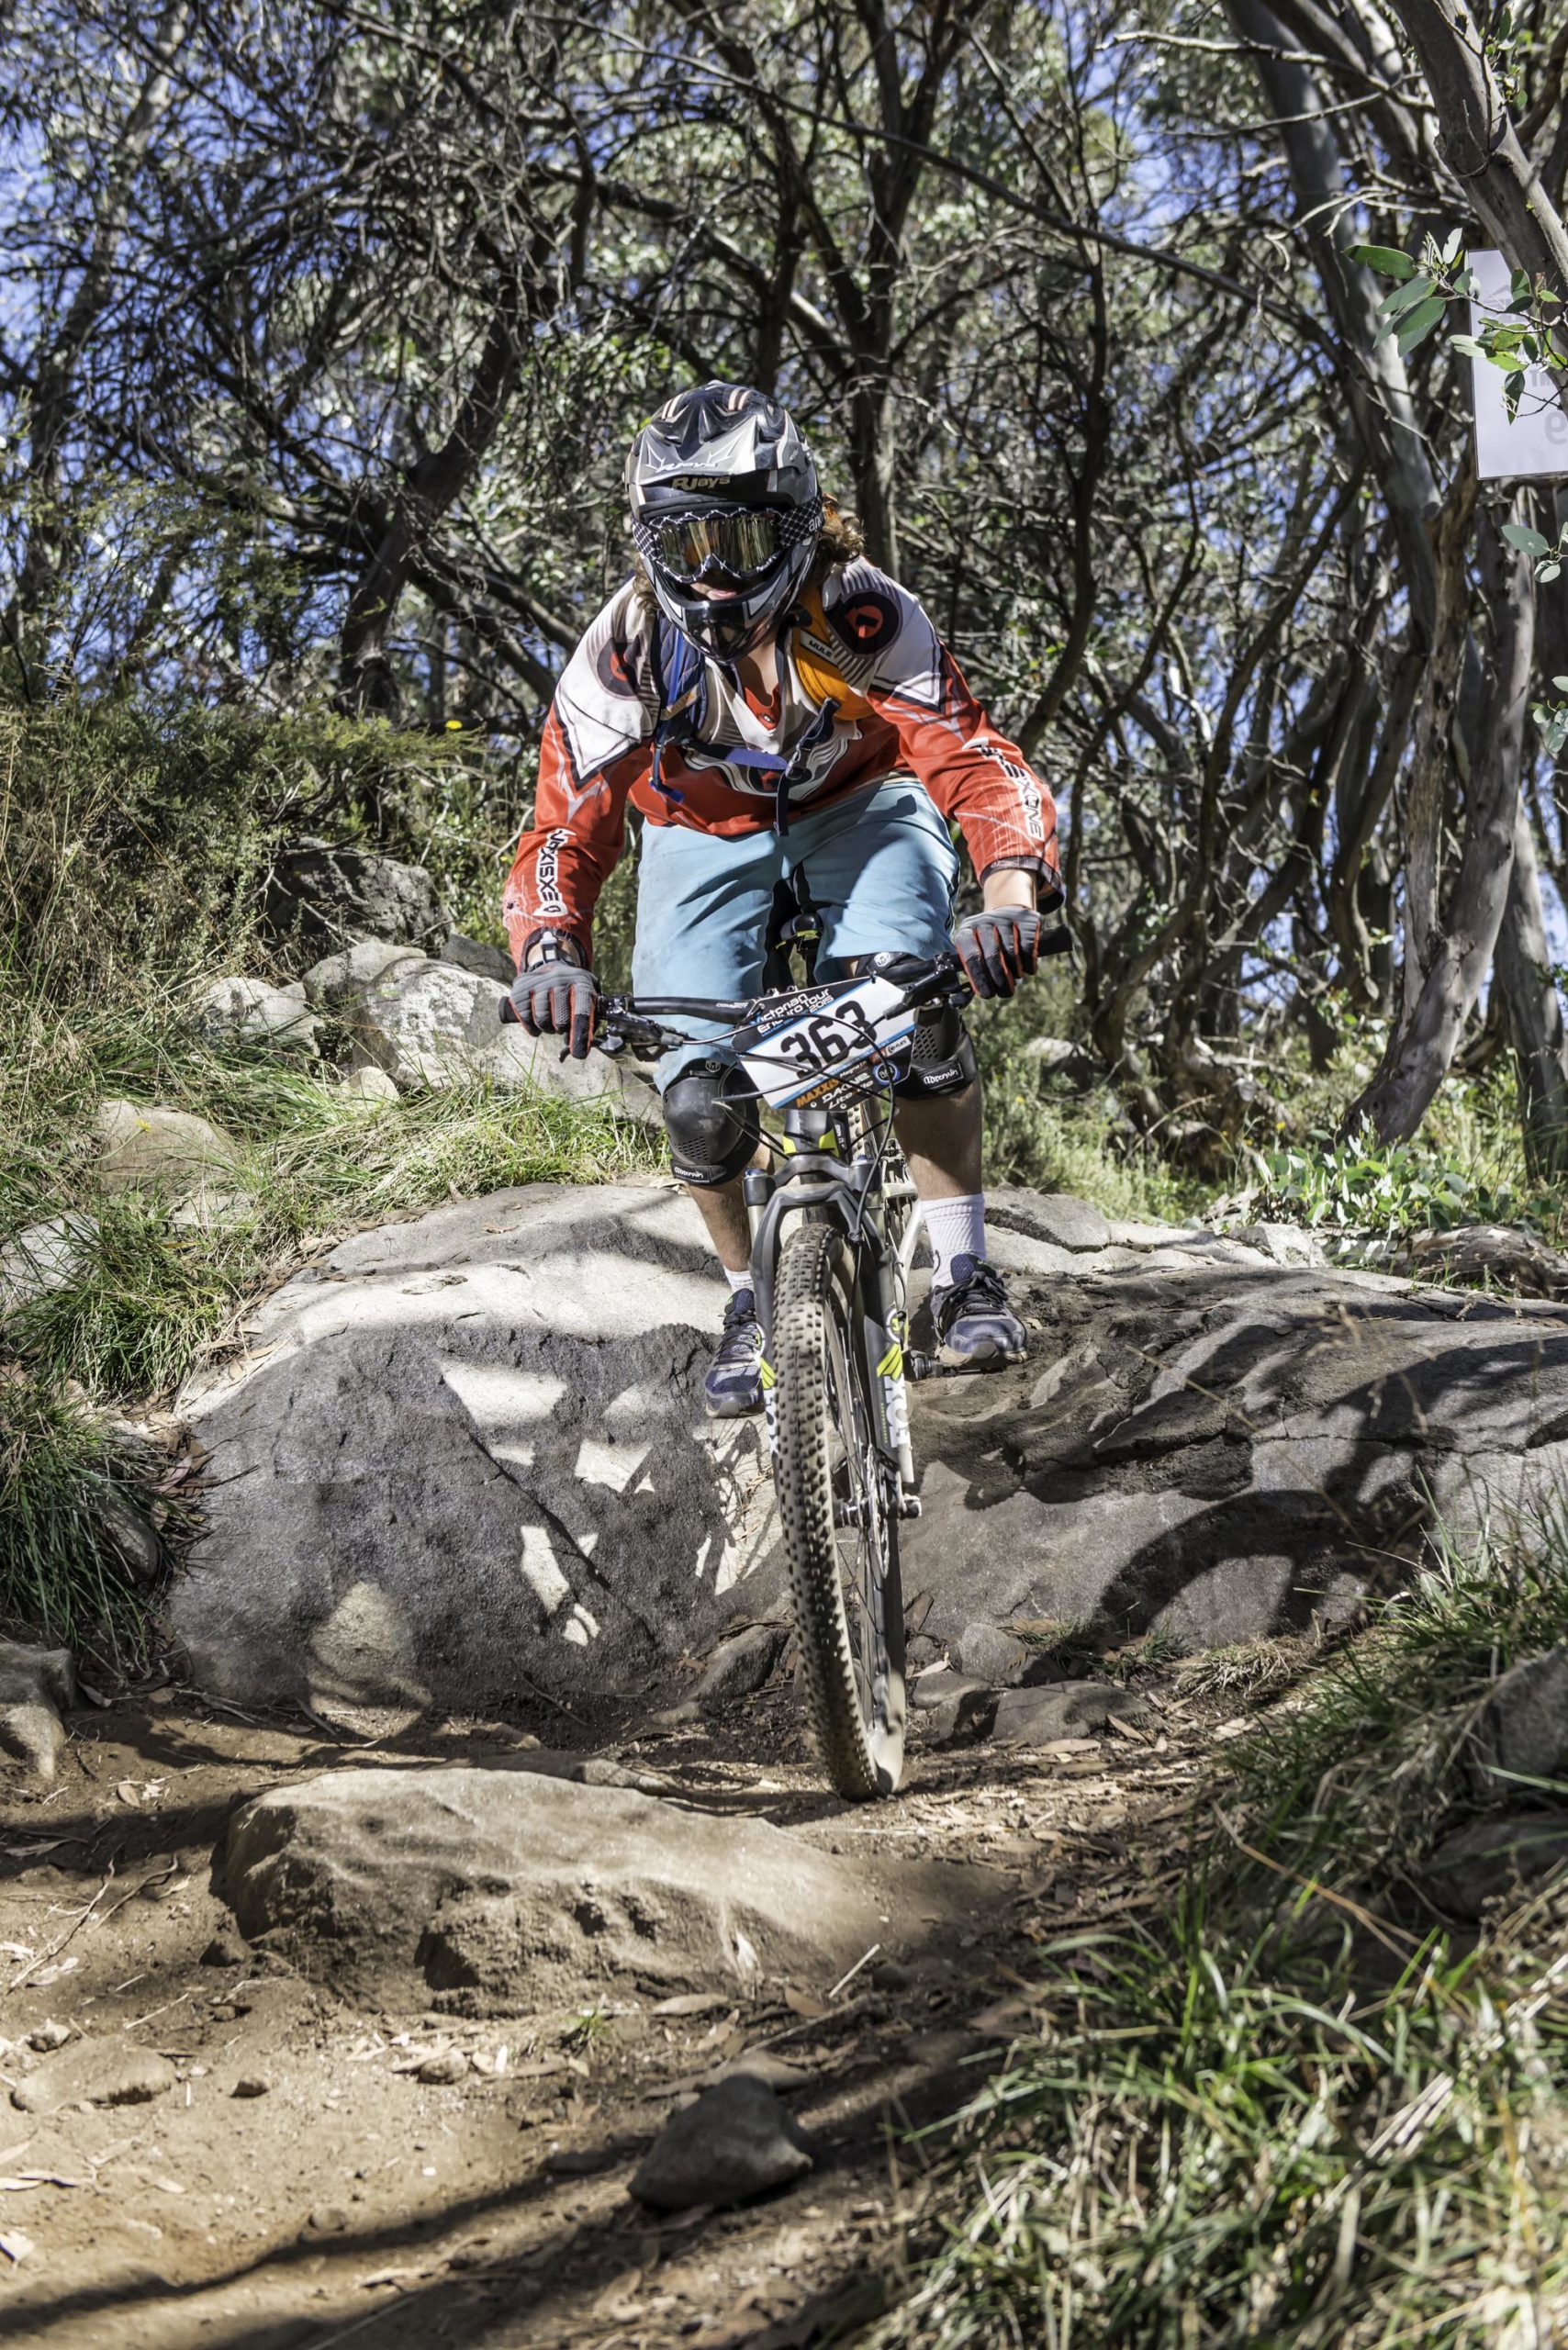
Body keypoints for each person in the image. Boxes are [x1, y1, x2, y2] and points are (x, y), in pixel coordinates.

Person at [504, 380, 1062, 1417]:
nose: (713, 575)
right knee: (698, 1102)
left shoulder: (859, 614)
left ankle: (961, 1270)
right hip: (697, 833)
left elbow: (975, 761)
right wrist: (550, 955)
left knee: (916, 1015)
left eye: (741, 537)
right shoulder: (627, 648)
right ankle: (751, 1300)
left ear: (800, 525)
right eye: (686, 543)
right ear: (646, 543)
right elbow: (564, 824)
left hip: (861, 805)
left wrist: (1008, 890)